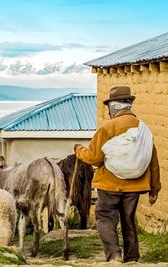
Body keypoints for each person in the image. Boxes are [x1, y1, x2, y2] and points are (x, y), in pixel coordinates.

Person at [74, 86, 161, 263]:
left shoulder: (107, 129)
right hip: (135, 185)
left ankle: (114, 255)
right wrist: (154, 189)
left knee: (105, 218)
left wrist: (79, 150)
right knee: (128, 220)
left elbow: (94, 158)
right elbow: (152, 161)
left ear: (114, 107)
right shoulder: (144, 130)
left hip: (109, 185)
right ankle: (132, 257)